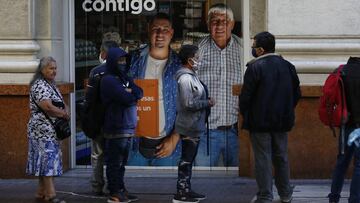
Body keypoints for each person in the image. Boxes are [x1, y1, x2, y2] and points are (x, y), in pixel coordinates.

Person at [239, 31, 301, 203]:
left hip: (259, 122)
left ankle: (265, 195)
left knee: (263, 159)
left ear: (260, 49)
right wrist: (286, 110)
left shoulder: (254, 67)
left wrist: (246, 114)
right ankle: (286, 193)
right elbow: (297, 93)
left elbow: (245, 98)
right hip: (282, 120)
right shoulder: (288, 66)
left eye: (253, 47)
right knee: (281, 156)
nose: (252, 49)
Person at [128, 12, 182, 166]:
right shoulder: (133, 60)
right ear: (148, 30)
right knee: (133, 187)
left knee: (165, 189)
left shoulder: (179, 65)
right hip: (135, 145)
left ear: (171, 33)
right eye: (155, 29)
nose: (160, 34)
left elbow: (188, 108)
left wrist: (174, 139)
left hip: (168, 147)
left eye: (165, 29)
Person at [195, 3, 242, 167]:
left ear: (232, 24)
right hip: (206, 132)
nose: (220, 26)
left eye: (225, 21)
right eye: (215, 21)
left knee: (241, 182)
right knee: (202, 180)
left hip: (237, 131)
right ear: (208, 25)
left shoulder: (243, 50)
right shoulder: (198, 50)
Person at [172, 45, 215, 203]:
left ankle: (186, 189)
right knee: (186, 159)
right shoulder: (185, 78)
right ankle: (181, 192)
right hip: (189, 125)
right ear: (189, 59)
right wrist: (207, 103)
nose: (199, 59)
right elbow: (188, 103)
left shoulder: (192, 75)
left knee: (188, 159)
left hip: (194, 125)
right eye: (197, 56)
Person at [100, 47, 143, 203]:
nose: (122, 63)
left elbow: (140, 92)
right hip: (115, 127)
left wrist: (130, 91)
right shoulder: (109, 80)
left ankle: (121, 188)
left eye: (124, 60)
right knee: (114, 162)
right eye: (119, 60)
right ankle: (114, 192)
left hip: (128, 127)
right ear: (112, 61)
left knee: (122, 163)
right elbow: (126, 98)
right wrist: (130, 93)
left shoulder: (124, 77)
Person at [26, 56, 70, 203]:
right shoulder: (39, 85)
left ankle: (41, 192)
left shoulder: (50, 84)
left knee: (43, 161)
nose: (54, 71)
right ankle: (50, 195)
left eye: (55, 68)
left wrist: (66, 109)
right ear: (42, 70)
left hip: (49, 130)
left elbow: (60, 101)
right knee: (47, 162)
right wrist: (64, 114)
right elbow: (47, 107)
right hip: (42, 131)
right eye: (51, 68)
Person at [85, 40, 119, 195]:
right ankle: (115, 187)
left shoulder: (96, 71)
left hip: (99, 119)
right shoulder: (121, 71)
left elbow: (90, 98)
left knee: (97, 154)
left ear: (104, 53)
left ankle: (97, 186)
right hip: (116, 120)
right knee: (114, 155)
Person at [328, 57, 360, 203]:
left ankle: (334, 196)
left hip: (346, 124)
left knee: (342, 162)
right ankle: (355, 198)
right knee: (359, 164)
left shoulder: (341, 71)